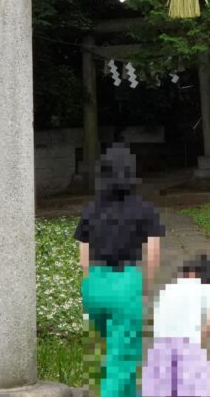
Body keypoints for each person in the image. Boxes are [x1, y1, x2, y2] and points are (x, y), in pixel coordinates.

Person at [74, 142, 164, 397]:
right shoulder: (145, 210)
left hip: (94, 287)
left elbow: (83, 259)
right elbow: (153, 254)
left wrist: (91, 285)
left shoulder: (91, 209)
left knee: (116, 349)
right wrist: (145, 288)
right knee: (121, 358)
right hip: (125, 285)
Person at [141, 255, 210, 396]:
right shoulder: (208, 290)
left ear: (191, 273)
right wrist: (200, 338)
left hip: (160, 347)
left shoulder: (167, 289)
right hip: (189, 347)